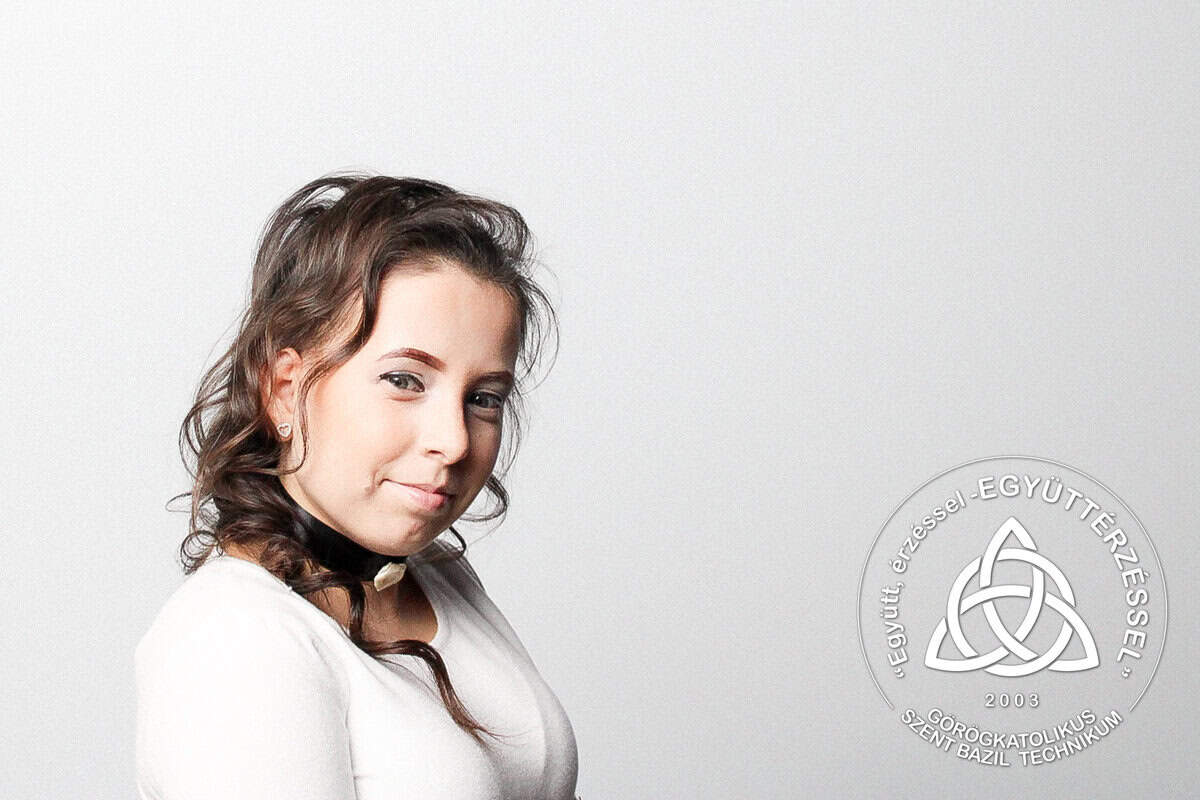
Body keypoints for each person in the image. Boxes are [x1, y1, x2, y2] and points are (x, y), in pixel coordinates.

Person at [134, 173, 580, 799]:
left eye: (483, 398)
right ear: (284, 389)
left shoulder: (436, 574)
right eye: (404, 381)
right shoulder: (234, 638)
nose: (454, 442)